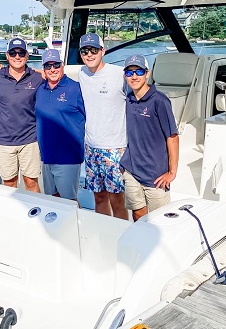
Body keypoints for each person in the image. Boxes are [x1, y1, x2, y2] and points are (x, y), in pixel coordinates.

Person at [120, 54, 178, 220]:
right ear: (125, 76)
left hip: (156, 174)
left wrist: (172, 172)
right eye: (130, 73)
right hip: (131, 170)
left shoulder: (160, 101)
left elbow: (172, 137)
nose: (134, 76)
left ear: (147, 73)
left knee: (159, 219)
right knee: (137, 213)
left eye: (139, 71)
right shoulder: (129, 99)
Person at [78, 33, 129, 220]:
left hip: (115, 148)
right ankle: (104, 233)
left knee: (117, 200)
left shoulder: (120, 74)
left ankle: (122, 237)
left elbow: (140, 96)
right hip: (91, 148)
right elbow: (50, 72)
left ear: (103, 51)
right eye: (85, 51)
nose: (89, 54)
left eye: (94, 50)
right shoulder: (82, 73)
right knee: (98, 197)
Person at [0, 37, 44, 191]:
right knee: (9, 184)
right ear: (7, 56)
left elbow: (56, 76)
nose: (17, 57)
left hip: (30, 140)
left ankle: (35, 212)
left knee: (31, 182)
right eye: (13, 53)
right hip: (4, 141)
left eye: (21, 53)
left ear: (27, 56)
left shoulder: (37, 77)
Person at [35, 48, 86, 201]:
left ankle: (77, 225)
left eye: (56, 65)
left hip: (68, 158)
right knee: (52, 200)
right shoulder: (40, 89)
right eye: (48, 66)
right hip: (46, 156)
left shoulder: (76, 88)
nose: (53, 69)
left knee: (69, 201)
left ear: (62, 65)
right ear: (43, 69)